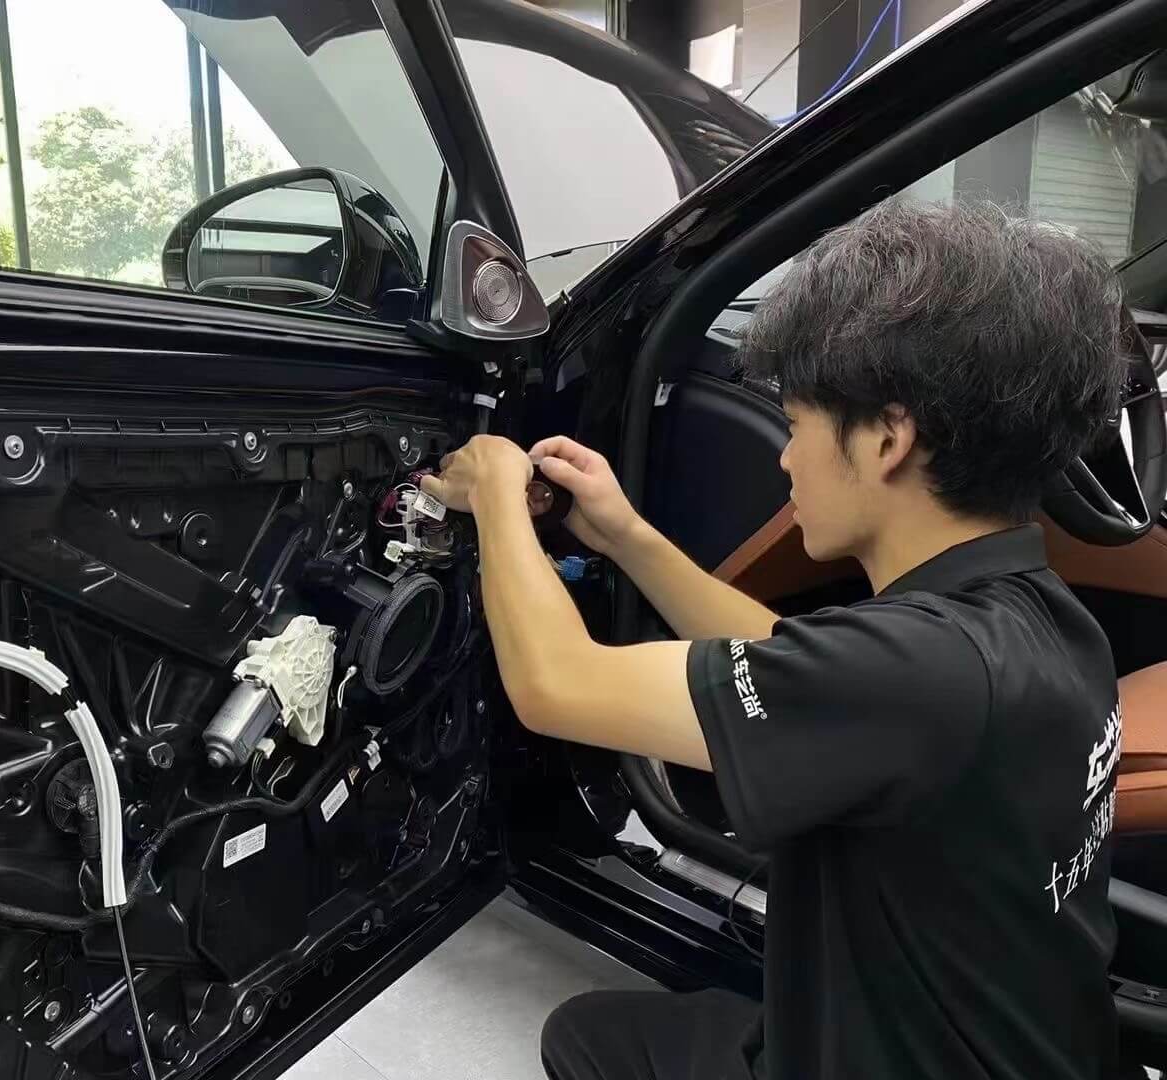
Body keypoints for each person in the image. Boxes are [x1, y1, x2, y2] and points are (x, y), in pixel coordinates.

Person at [421, 200, 1128, 1080]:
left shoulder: (922, 675)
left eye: (796, 426)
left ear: (887, 438)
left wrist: (494, 491)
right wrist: (627, 536)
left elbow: (556, 683)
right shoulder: (1041, 620)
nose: (786, 459)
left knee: (584, 1038)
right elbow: (788, 657)